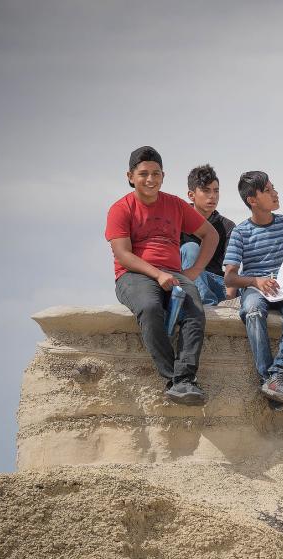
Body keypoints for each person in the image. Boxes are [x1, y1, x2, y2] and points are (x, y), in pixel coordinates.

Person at [105, 146, 219, 406]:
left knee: (194, 311)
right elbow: (123, 254)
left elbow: (210, 234)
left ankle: (186, 379)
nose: (150, 179)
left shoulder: (175, 204)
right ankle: (173, 379)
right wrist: (157, 274)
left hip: (173, 274)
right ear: (130, 176)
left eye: (156, 173)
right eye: (143, 173)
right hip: (133, 275)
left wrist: (195, 271)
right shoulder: (120, 209)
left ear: (163, 176)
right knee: (150, 307)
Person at [223, 171, 283, 405]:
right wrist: (256, 281)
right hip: (256, 288)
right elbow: (230, 278)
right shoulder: (241, 232)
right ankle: (269, 379)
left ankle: (279, 375)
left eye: (273, 188)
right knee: (253, 311)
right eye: (268, 190)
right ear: (252, 200)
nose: (275, 193)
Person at [179, 164, 236, 305]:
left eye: (216, 191)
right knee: (190, 248)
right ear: (191, 195)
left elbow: (232, 266)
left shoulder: (227, 226)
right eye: (206, 191)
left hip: (215, 282)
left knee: (250, 287)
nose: (212, 196)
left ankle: (205, 302)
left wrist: (230, 300)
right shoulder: (177, 220)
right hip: (183, 281)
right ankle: (206, 305)